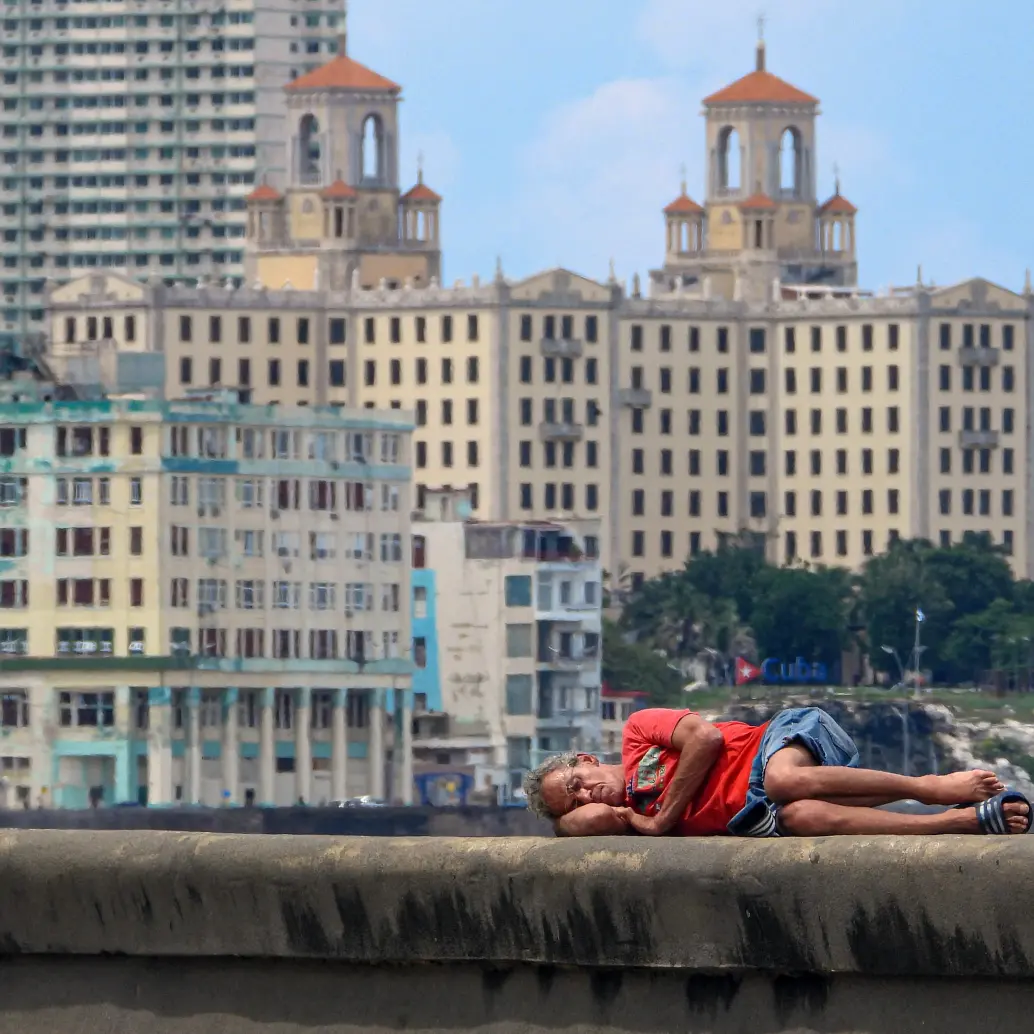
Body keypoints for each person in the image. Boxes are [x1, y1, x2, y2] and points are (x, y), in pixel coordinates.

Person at [523, 706, 1031, 838]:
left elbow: (706, 737)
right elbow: (575, 826)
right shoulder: (627, 817)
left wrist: (662, 819)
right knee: (802, 817)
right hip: (769, 811)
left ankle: (930, 788)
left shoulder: (637, 735)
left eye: (577, 783)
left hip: (782, 742)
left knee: (785, 783)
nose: (588, 795)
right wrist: (572, 813)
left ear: (586, 760)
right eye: (578, 801)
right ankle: (959, 823)